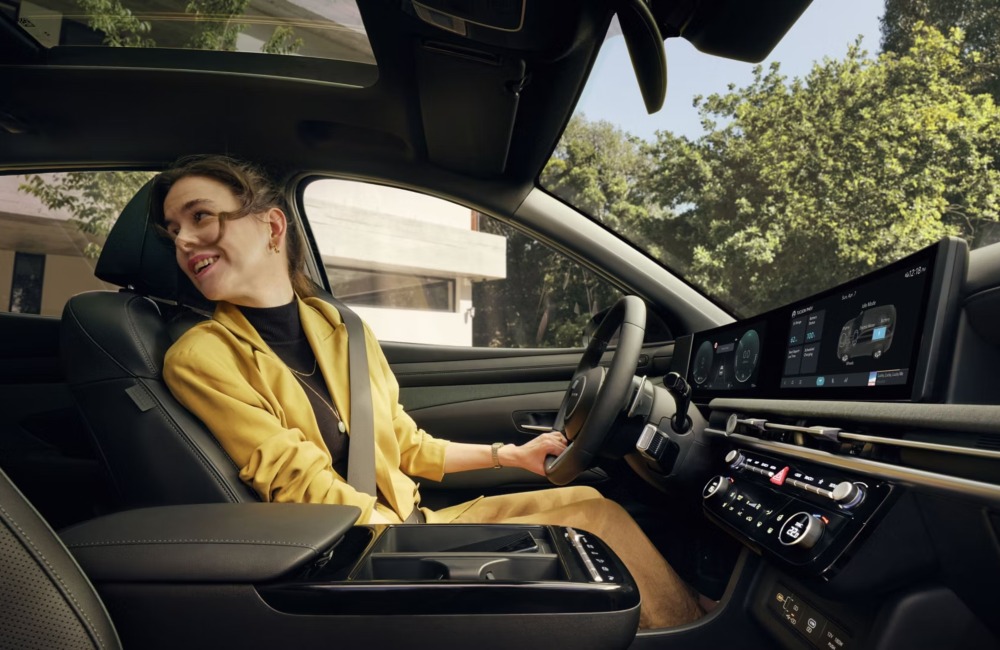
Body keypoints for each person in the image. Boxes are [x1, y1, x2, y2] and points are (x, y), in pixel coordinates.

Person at [155, 154, 703, 629]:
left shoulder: (339, 326)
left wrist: (510, 455)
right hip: (359, 550)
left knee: (593, 505)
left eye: (200, 216)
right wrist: (408, 541)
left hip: (416, 524)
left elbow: (404, 441)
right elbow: (296, 483)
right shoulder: (201, 356)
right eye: (173, 229)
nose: (183, 240)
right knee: (594, 527)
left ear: (271, 225)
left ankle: (690, 619)